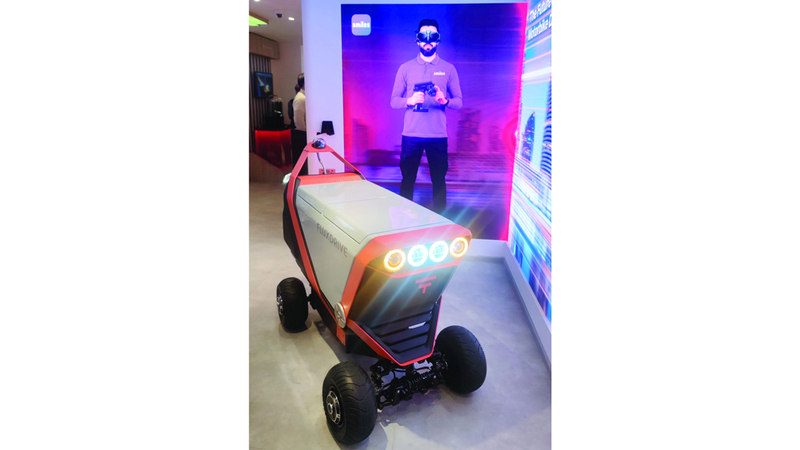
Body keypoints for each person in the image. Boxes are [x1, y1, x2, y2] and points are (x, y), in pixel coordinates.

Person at [390, 19, 462, 214]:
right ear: (417, 39)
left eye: (432, 36)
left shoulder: (449, 68)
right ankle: (405, 221)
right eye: (423, 36)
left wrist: (444, 100)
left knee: (439, 181)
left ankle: (441, 223)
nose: (428, 41)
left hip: (438, 136)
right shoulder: (405, 68)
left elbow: (459, 102)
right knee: (407, 180)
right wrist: (409, 100)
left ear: (438, 40)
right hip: (411, 135)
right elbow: (394, 101)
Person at [291, 74, 307, 175]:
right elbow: (298, 120)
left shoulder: (304, 97)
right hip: (301, 134)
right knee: (301, 165)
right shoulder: (301, 98)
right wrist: (305, 131)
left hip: (303, 133)